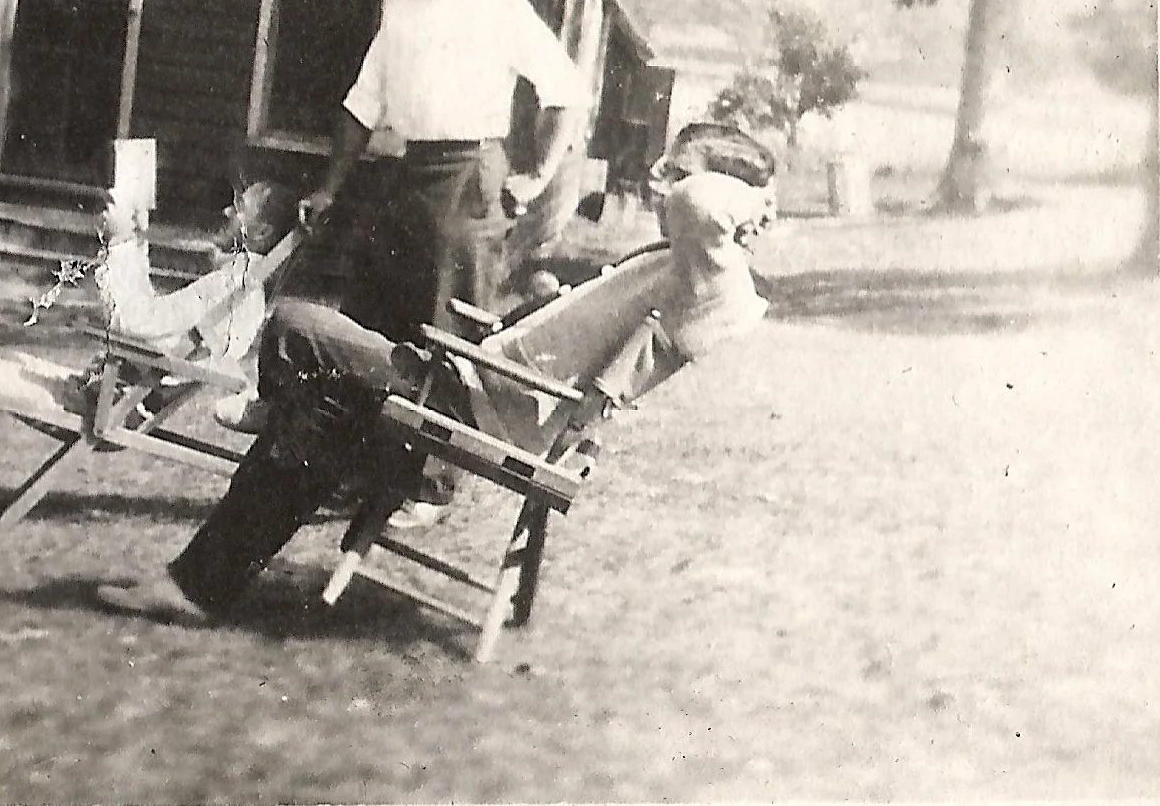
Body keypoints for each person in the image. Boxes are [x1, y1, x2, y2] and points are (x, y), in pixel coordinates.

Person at [95, 128, 776, 625]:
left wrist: (750, 197)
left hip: (475, 401)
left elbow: (701, 206)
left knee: (296, 323)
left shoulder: (707, 273)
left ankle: (213, 544)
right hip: (480, 387)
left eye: (677, 170)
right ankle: (195, 582)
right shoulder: (681, 263)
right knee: (320, 420)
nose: (661, 178)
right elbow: (695, 210)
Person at [213, 0, 588, 521]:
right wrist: (329, 186)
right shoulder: (404, 7)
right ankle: (351, 462)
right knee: (373, 316)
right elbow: (363, 103)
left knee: (448, 329)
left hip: (470, 178)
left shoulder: (502, 8)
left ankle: (432, 485)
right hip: (409, 175)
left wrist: (533, 175)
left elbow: (564, 91)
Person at [0, 178, 300, 519]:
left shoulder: (231, 287)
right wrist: (139, 243)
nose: (225, 212)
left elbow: (134, 322)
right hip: (111, 394)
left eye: (238, 206)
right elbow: (161, 328)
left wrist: (121, 242)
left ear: (257, 234)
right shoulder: (239, 287)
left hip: (102, 404)